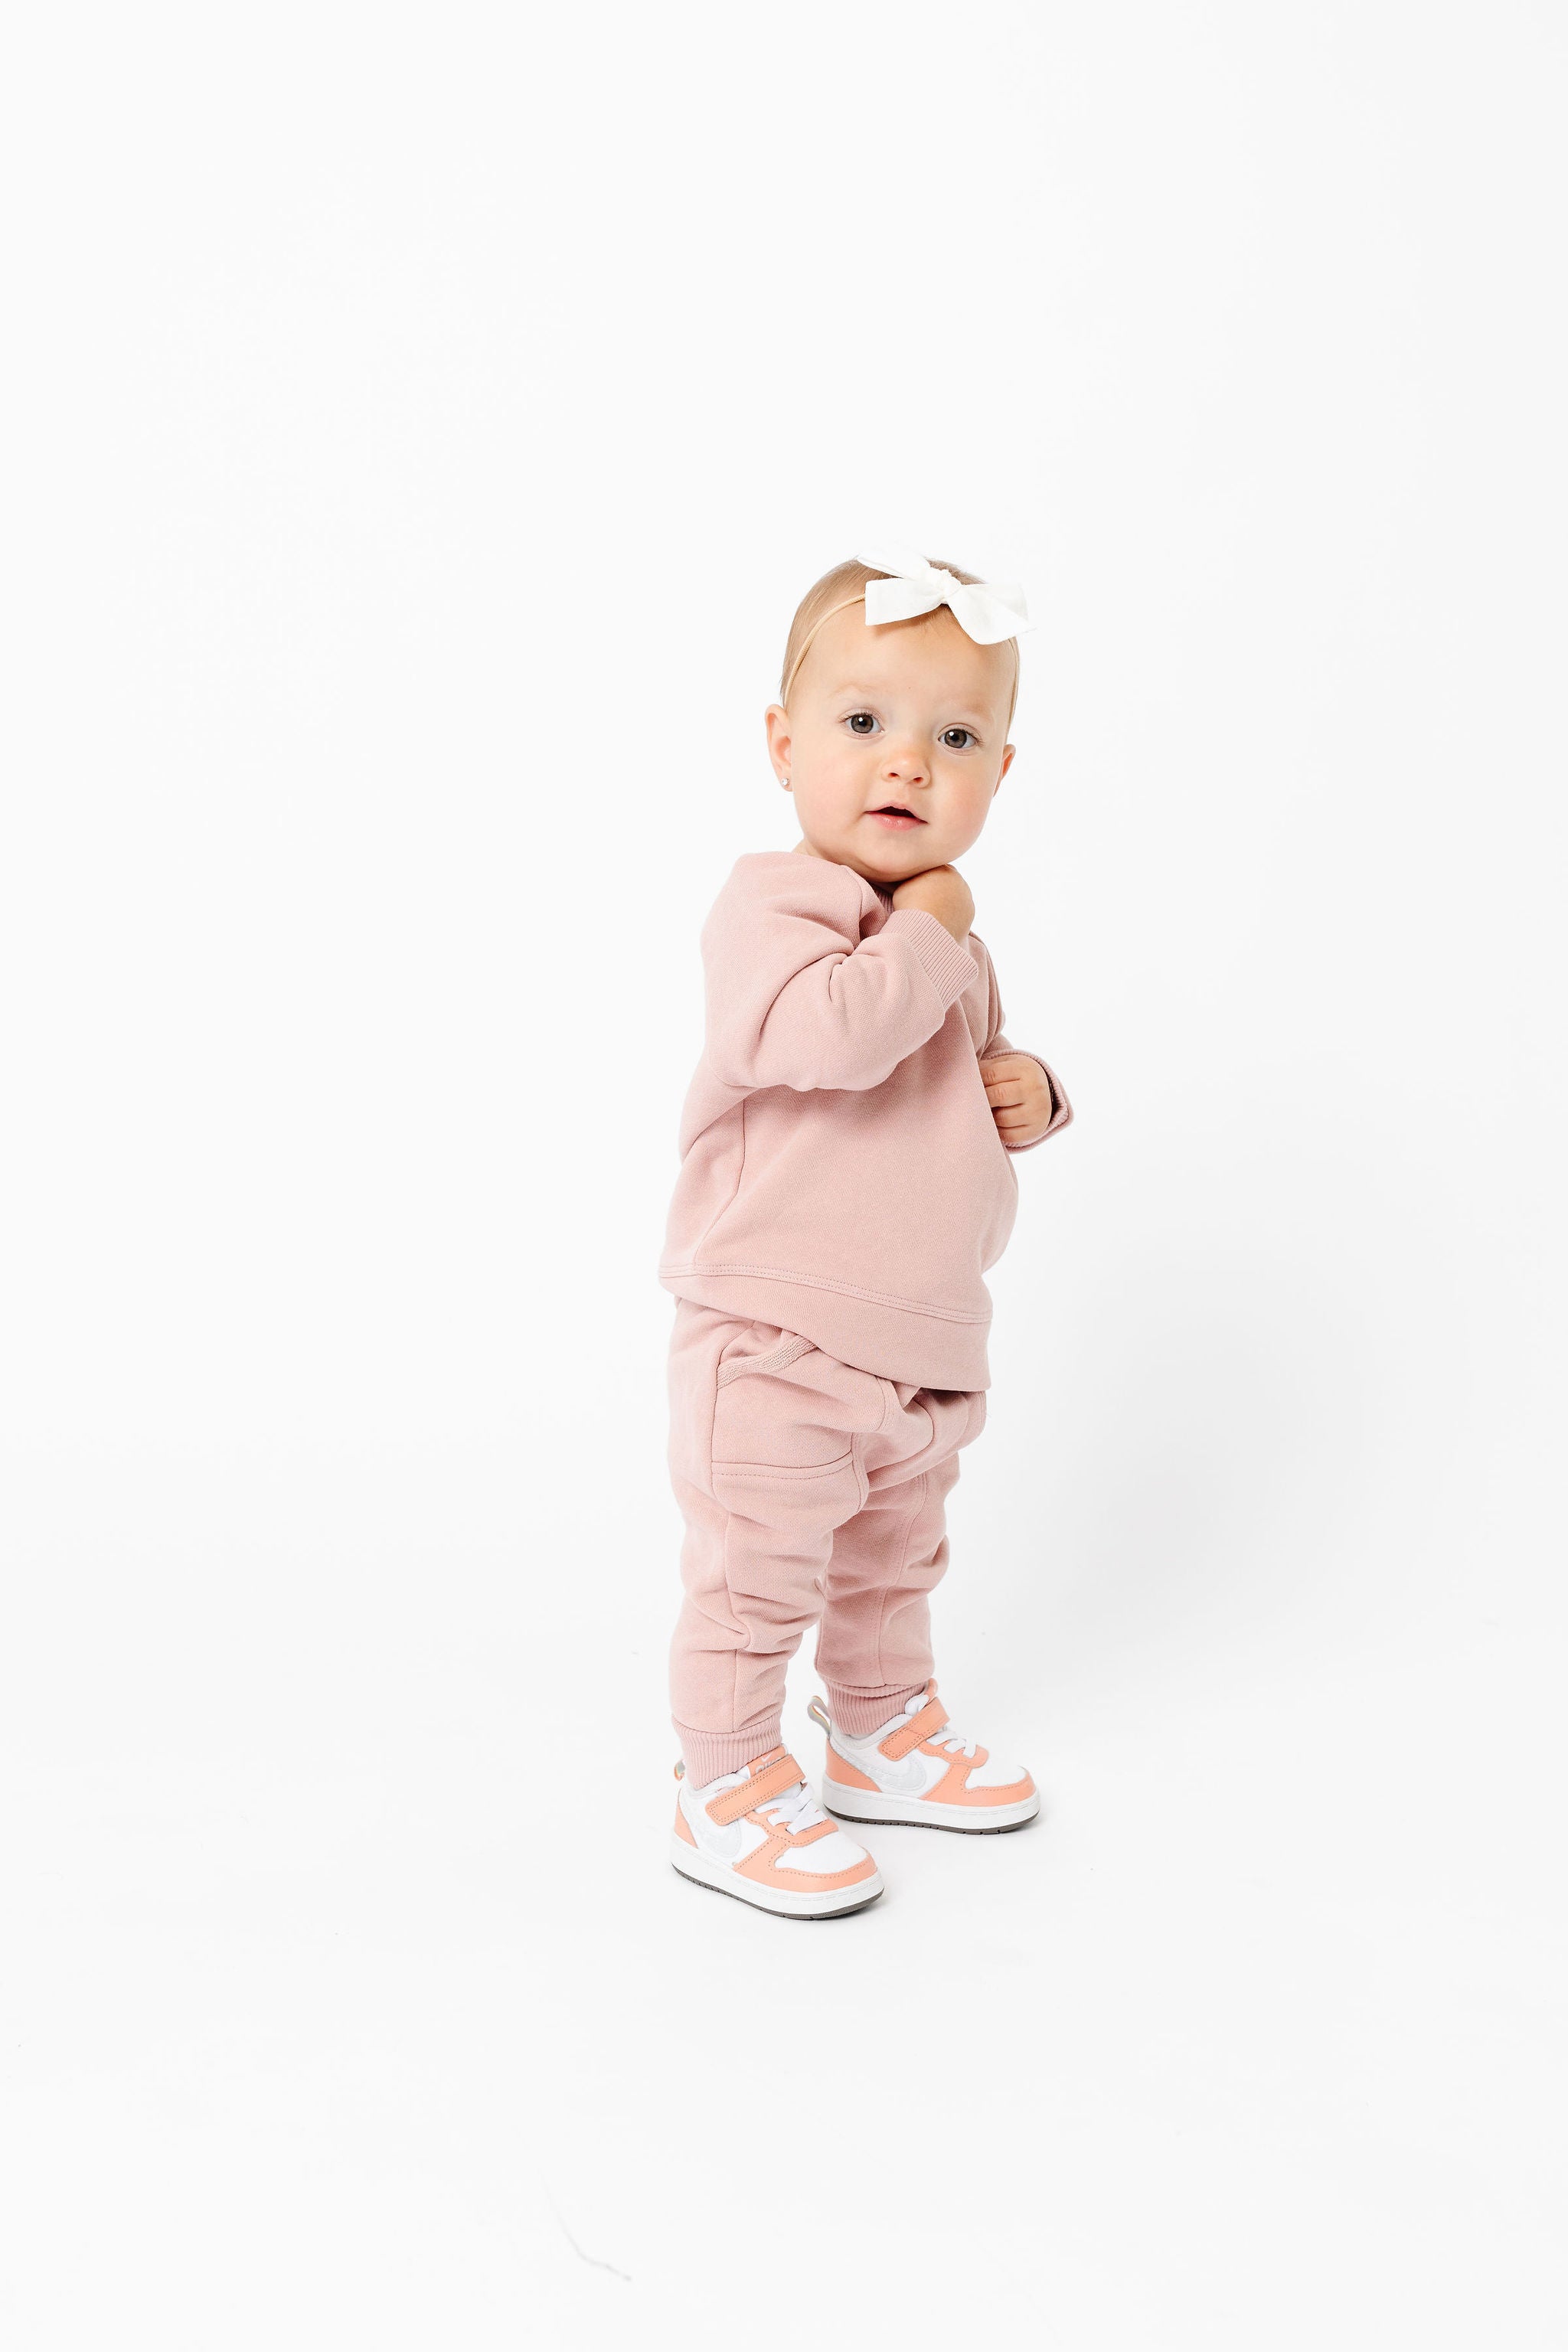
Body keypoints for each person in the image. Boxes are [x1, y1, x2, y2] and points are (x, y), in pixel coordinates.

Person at [658, 550, 1073, 1916]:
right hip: (779, 1331)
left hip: (921, 1335)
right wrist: (939, 921)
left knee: (894, 1560)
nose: (907, 763)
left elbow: (960, 1073)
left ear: (999, 773)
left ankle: (880, 1727)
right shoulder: (776, 906)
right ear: (784, 746)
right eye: (862, 723)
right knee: (757, 1571)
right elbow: (834, 1037)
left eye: (954, 739)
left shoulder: (941, 941)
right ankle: (724, 1780)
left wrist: (1029, 1088)